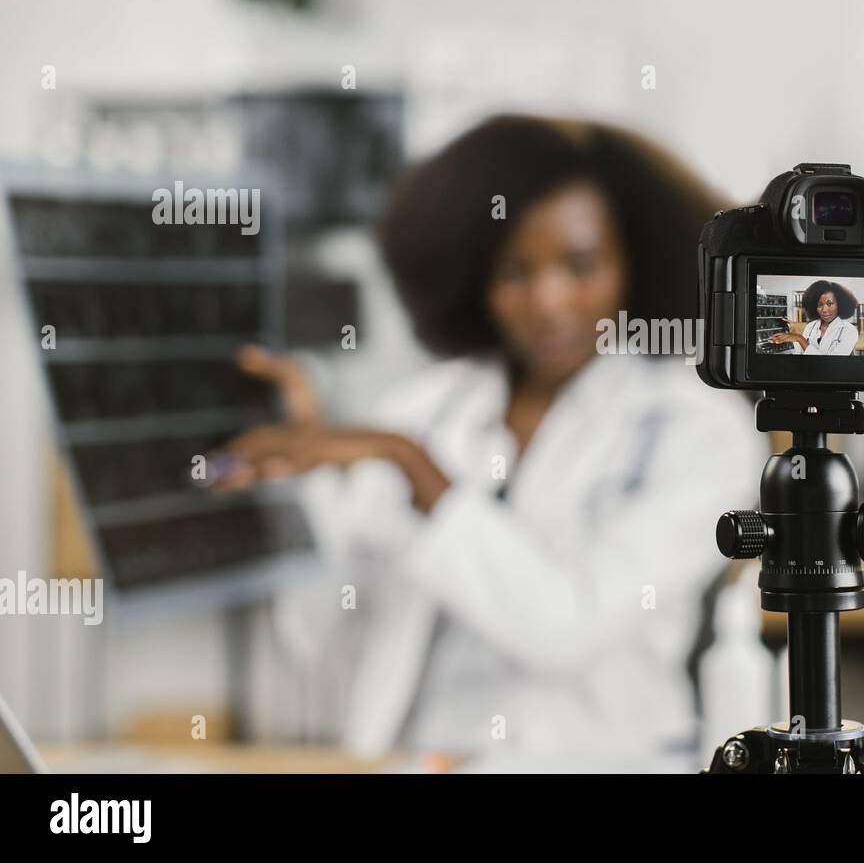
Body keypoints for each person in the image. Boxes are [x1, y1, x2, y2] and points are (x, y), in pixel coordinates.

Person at [214, 115, 769, 769]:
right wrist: (301, 478)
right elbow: (309, 632)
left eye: (580, 265)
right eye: (514, 271)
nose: (549, 302)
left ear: (633, 262)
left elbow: (565, 626)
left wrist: (418, 472)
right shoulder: (421, 411)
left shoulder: (697, 426)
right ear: (475, 276)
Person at [770, 280, 859, 356]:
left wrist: (800, 338)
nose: (824, 310)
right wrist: (793, 334)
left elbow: (832, 364)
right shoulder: (811, 326)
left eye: (829, 304)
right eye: (819, 305)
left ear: (840, 304)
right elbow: (800, 352)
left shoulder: (849, 330)